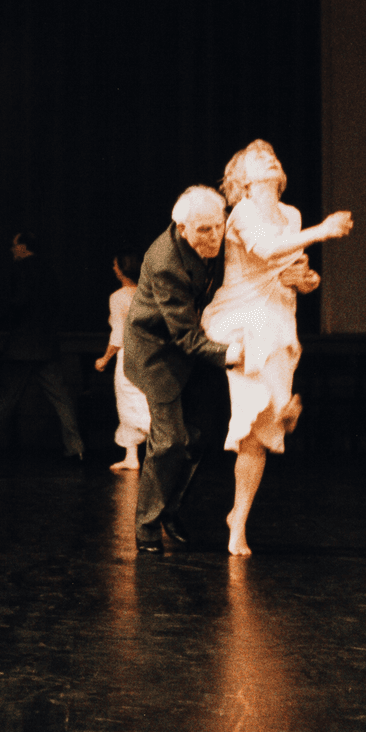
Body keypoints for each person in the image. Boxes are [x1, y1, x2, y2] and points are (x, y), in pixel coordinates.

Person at [201, 140, 353, 556]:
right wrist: (324, 230)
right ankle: (281, 409)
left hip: (279, 318)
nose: (268, 156)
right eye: (257, 156)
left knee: (258, 437)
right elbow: (266, 250)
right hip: (242, 319)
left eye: (272, 154)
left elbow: (293, 268)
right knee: (255, 413)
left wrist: (308, 281)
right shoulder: (242, 213)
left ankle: (239, 518)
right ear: (243, 177)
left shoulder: (291, 215)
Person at [125, 186, 244, 554]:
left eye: (217, 227)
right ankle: (146, 528)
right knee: (170, 441)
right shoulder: (165, 263)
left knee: (198, 436)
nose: (214, 237)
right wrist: (233, 353)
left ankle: (169, 509)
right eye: (203, 230)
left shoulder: (220, 239)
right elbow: (185, 337)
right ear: (181, 228)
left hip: (193, 349)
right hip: (158, 353)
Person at [0, 232, 85, 460]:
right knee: (61, 398)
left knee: (6, 397)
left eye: (14, 245)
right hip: (45, 344)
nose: (11, 249)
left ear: (24, 247)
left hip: (22, 346)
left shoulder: (22, 269)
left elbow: (21, 301)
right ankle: (75, 447)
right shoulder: (49, 270)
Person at [95, 253, 148, 472]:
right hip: (149, 354)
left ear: (122, 270)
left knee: (129, 402)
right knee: (143, 400)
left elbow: (119, 334)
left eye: (116, 265)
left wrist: (104, 359)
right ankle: (131, 455)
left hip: (129, 356)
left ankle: (166, 443)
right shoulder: (148, 293)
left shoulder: (118, 297)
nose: (113, 268)